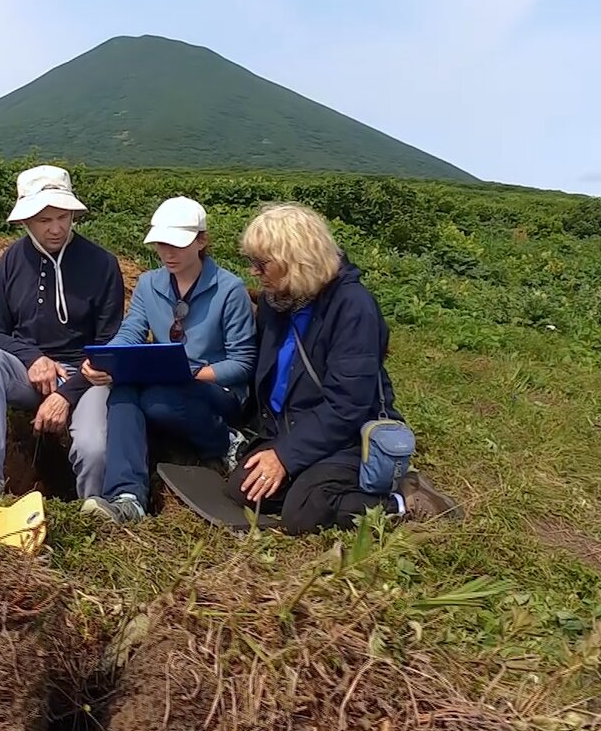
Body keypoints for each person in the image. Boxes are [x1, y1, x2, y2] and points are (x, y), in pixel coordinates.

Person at [227, 202, 460, 533]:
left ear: (295, 261)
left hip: (346, 438)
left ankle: (405, 501)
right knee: (244, 487)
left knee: (304, 513)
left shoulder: (353, 308)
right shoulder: (276, 302)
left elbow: (348, 405)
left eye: (262, 263)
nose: (254, 271)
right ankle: (314, 484)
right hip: (293, 428)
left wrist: (285, 457)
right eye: (252, 262)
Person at [0, 165, 124, 499]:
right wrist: (34, 358)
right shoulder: (12, 260)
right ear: (25, 222)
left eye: (62, 217)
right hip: (26, 373)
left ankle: (94, 512)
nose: (56, 229)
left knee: (94, 448)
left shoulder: (102, 264)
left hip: (87, 375)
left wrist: (65, 395)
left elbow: (109, 346)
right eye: (44, 220)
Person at [78, 196, 257, 523]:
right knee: (124, 391)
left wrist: (191, 374)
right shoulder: (150, 284)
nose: (167, 253)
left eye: (177, 244)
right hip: (166, 383)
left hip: (217, 390)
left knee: (158, 399)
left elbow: (242, 363)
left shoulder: (229, 289)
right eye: (161, 244)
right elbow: (132, 330)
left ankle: (227, 439)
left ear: (201, 241)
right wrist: (109, 359)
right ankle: (127, 496)